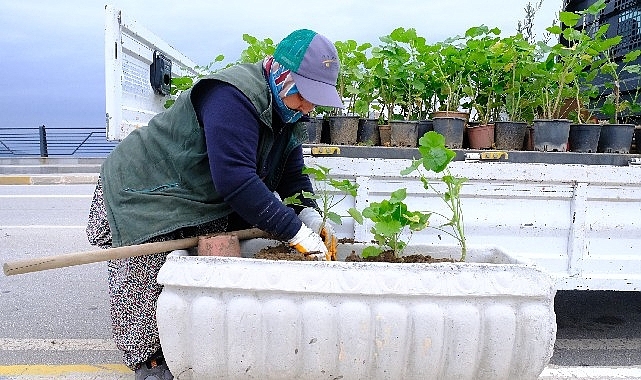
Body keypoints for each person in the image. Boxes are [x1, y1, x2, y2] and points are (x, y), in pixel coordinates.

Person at [86, 29, 343, 380]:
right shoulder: (232, 97)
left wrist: (308, 213)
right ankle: (150, 362)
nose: (309, 106)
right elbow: (236, 181)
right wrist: (295, 233)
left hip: (193, 191)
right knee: (146, 269)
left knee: (201, 264)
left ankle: (191, 340)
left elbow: (291, 176)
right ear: (281, 74)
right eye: (304, 95)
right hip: (147, 186)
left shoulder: (288, 114)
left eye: (316, 99)